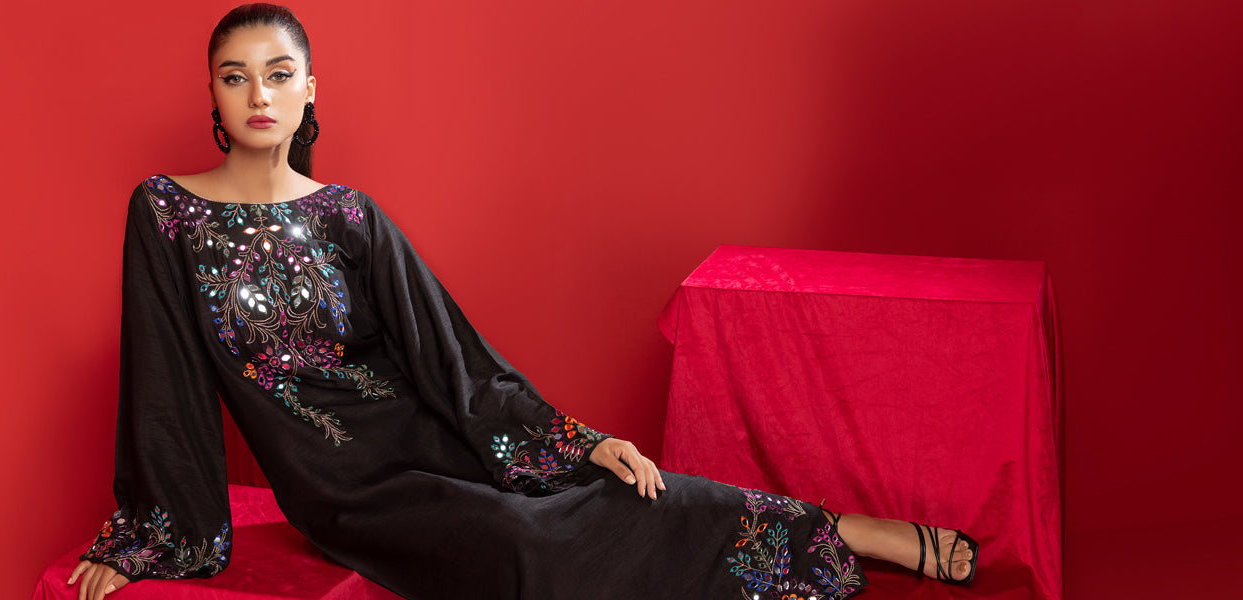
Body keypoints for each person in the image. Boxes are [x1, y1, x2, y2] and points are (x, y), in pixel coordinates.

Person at [67, 4, 979, 600]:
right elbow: (165, 385)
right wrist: (151, 534)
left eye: (277, 73)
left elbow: (449, 356)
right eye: (235, 76)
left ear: (309, 90)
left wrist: (579, 441)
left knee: (608, 489)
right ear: (213, 94)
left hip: (434, 434)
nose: (258, 94)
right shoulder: (166, 211)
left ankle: (840, 530)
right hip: (345, 488)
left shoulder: (349, 215)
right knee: (520, 544)